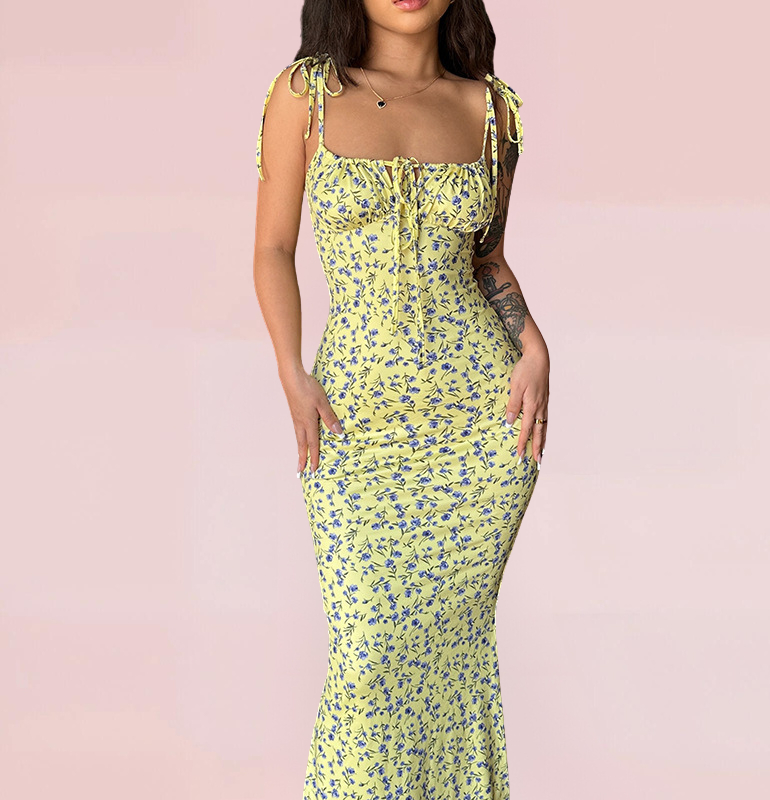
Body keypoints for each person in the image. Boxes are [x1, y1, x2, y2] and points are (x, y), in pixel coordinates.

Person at [253, 0, 549, 796]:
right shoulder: (307, 94)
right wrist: (291, 370)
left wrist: (534, 345)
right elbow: (273, 248)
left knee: (452, 651)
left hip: (478, 422)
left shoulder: (491, 111)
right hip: (357, 418)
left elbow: (487, 260)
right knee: (369, 650)